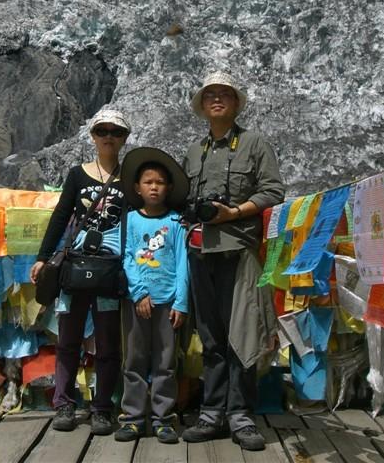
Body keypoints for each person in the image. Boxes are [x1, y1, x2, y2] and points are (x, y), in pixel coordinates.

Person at [181, 71, 285, 452]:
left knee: (242, 335)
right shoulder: (194, 151)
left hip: (239, 251)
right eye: (210, 94)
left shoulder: (255, 144)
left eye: (225, 94)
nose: (217, 98)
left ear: (236, 103)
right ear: (203, 105)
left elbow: (274, 190)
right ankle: (211, 412)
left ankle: (240, 415)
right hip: (199, 253)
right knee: (210, 337)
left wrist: (235, 212)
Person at [30, 107, 131, 436]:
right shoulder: (77, 175)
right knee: (68, 339)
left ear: (124, 139)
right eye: (102, 131)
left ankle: (102, 407)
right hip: (75, 266)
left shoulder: (130, 177)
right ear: (93, 136)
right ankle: (64, 403)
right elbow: (60, 216)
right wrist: (43, 257)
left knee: (108, 342)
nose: (108, 137)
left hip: (110, 269)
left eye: (116, 132)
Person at [114, 148, 190, 445]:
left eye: (159, 182)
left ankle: (163, 419)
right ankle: (133, 418)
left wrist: (181, 302)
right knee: (134, 359)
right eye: (148, 182)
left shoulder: (176, 223)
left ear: (168, 187)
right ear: (137, 187)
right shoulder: (130, 220)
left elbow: (183, 263)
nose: (154, 187)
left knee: (165, 362)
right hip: (137, 302)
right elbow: (127, 258)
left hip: (168, 302)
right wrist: (139, 293)